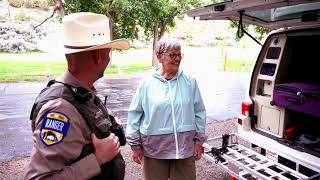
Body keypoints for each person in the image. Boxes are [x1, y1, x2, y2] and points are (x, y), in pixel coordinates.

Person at [24, 12, 130, 180]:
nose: (108, 58)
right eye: (108, 52)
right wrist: (97, 159)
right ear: (98, 55)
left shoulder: (80, 92)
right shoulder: (60, 109)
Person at [126, 37, 207, 180]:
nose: (177, 59)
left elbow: (199, 111)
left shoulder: (190, 81)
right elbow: (134, 114)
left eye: (179, 54)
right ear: (159, 56)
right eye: (172, 55)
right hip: (154, 150)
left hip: (184, 150)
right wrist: (135, 146)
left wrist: (199, 141)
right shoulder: (147, 83)